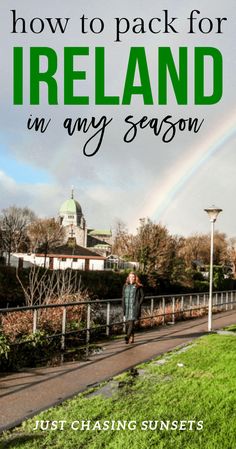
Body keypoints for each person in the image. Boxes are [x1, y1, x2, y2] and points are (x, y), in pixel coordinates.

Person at [122, 272, 144, 344]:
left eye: (133, 276)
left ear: (135, 278)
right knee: (128, 324)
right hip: (127, 307)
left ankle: (127, 337)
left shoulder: (138, 286)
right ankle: (132, 337)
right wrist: (123, 307)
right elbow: (123, 297)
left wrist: (138, 304)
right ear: (128, 277)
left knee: (131, 322)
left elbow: (142, 296)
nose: (132, 278)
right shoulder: (125, 286)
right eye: (130, 276)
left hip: (134, 308)